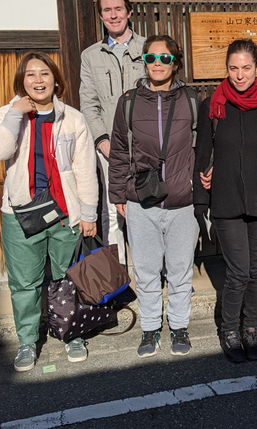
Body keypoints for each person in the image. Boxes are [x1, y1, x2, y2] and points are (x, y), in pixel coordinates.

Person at [0, 52, 99, 372]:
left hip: (64, 212)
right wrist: (14, 114)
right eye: (31, 74)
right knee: (25, 282)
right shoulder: (9, 112)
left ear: (56, 80)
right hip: (21, 213)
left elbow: (85, 170)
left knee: (67, 278)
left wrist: (88, 213)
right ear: (22, 82)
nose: (38, 80)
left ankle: (71, 334)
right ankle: (26, 340)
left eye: (44, 74)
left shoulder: (72, 118)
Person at [194, 38, 257, 363]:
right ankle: (230, 330)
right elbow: (203, 153)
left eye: (246, 67)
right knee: (237, 273)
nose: (239, 74)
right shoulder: (214, 105)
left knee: (256, 271)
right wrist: (200, 200)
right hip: (226, 201)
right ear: (226, 69)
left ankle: (252, 328)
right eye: (233, 68)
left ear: (256, 67)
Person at [108, 35, 199, 358]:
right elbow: (119, 150)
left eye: (164, 59)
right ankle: (149, 328)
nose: (157, 65)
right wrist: (118, 192)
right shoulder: (129, 101)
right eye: (151, 59)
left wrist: (202, 183)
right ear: (143, 62)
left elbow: (202, 147)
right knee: (146, 271)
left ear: (175, 62)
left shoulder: (191, 99)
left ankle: (178, 325)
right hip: (140, 200)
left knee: (179, 270)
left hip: (182, 202)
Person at [80, 0, 146, 266]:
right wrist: (102, 140)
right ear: (101, 16)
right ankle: (119, 277)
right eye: (107, 10)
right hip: (110, 147)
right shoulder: (91, 55)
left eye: (118, 9)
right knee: (112, 211)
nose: (113, 15)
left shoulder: (148, 48)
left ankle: (153, 270)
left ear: (129, 12)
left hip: (146, 145)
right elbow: (88, 103)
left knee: (148, 206)